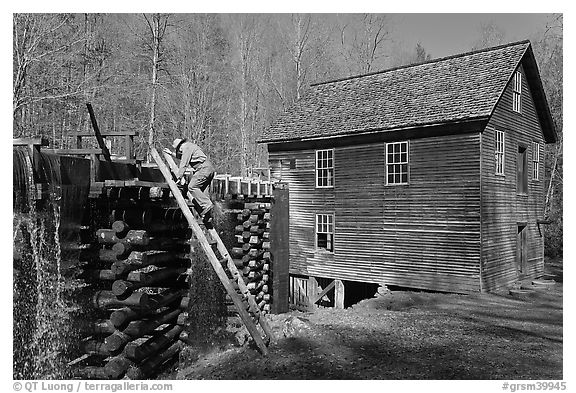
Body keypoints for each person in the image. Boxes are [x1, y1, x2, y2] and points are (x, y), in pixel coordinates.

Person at [163, 138, 216, 223]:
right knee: (200, 193)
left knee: (192, 187)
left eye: (178, 149)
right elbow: (182, 157)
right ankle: (208, 215)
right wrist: (171, 153)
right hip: (208, 169)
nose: (179, 151)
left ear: (180, 146)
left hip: (203, 169)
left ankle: (207, 205)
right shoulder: (191, 147)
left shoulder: (187, 148)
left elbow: (184, 163)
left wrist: (179, 177)